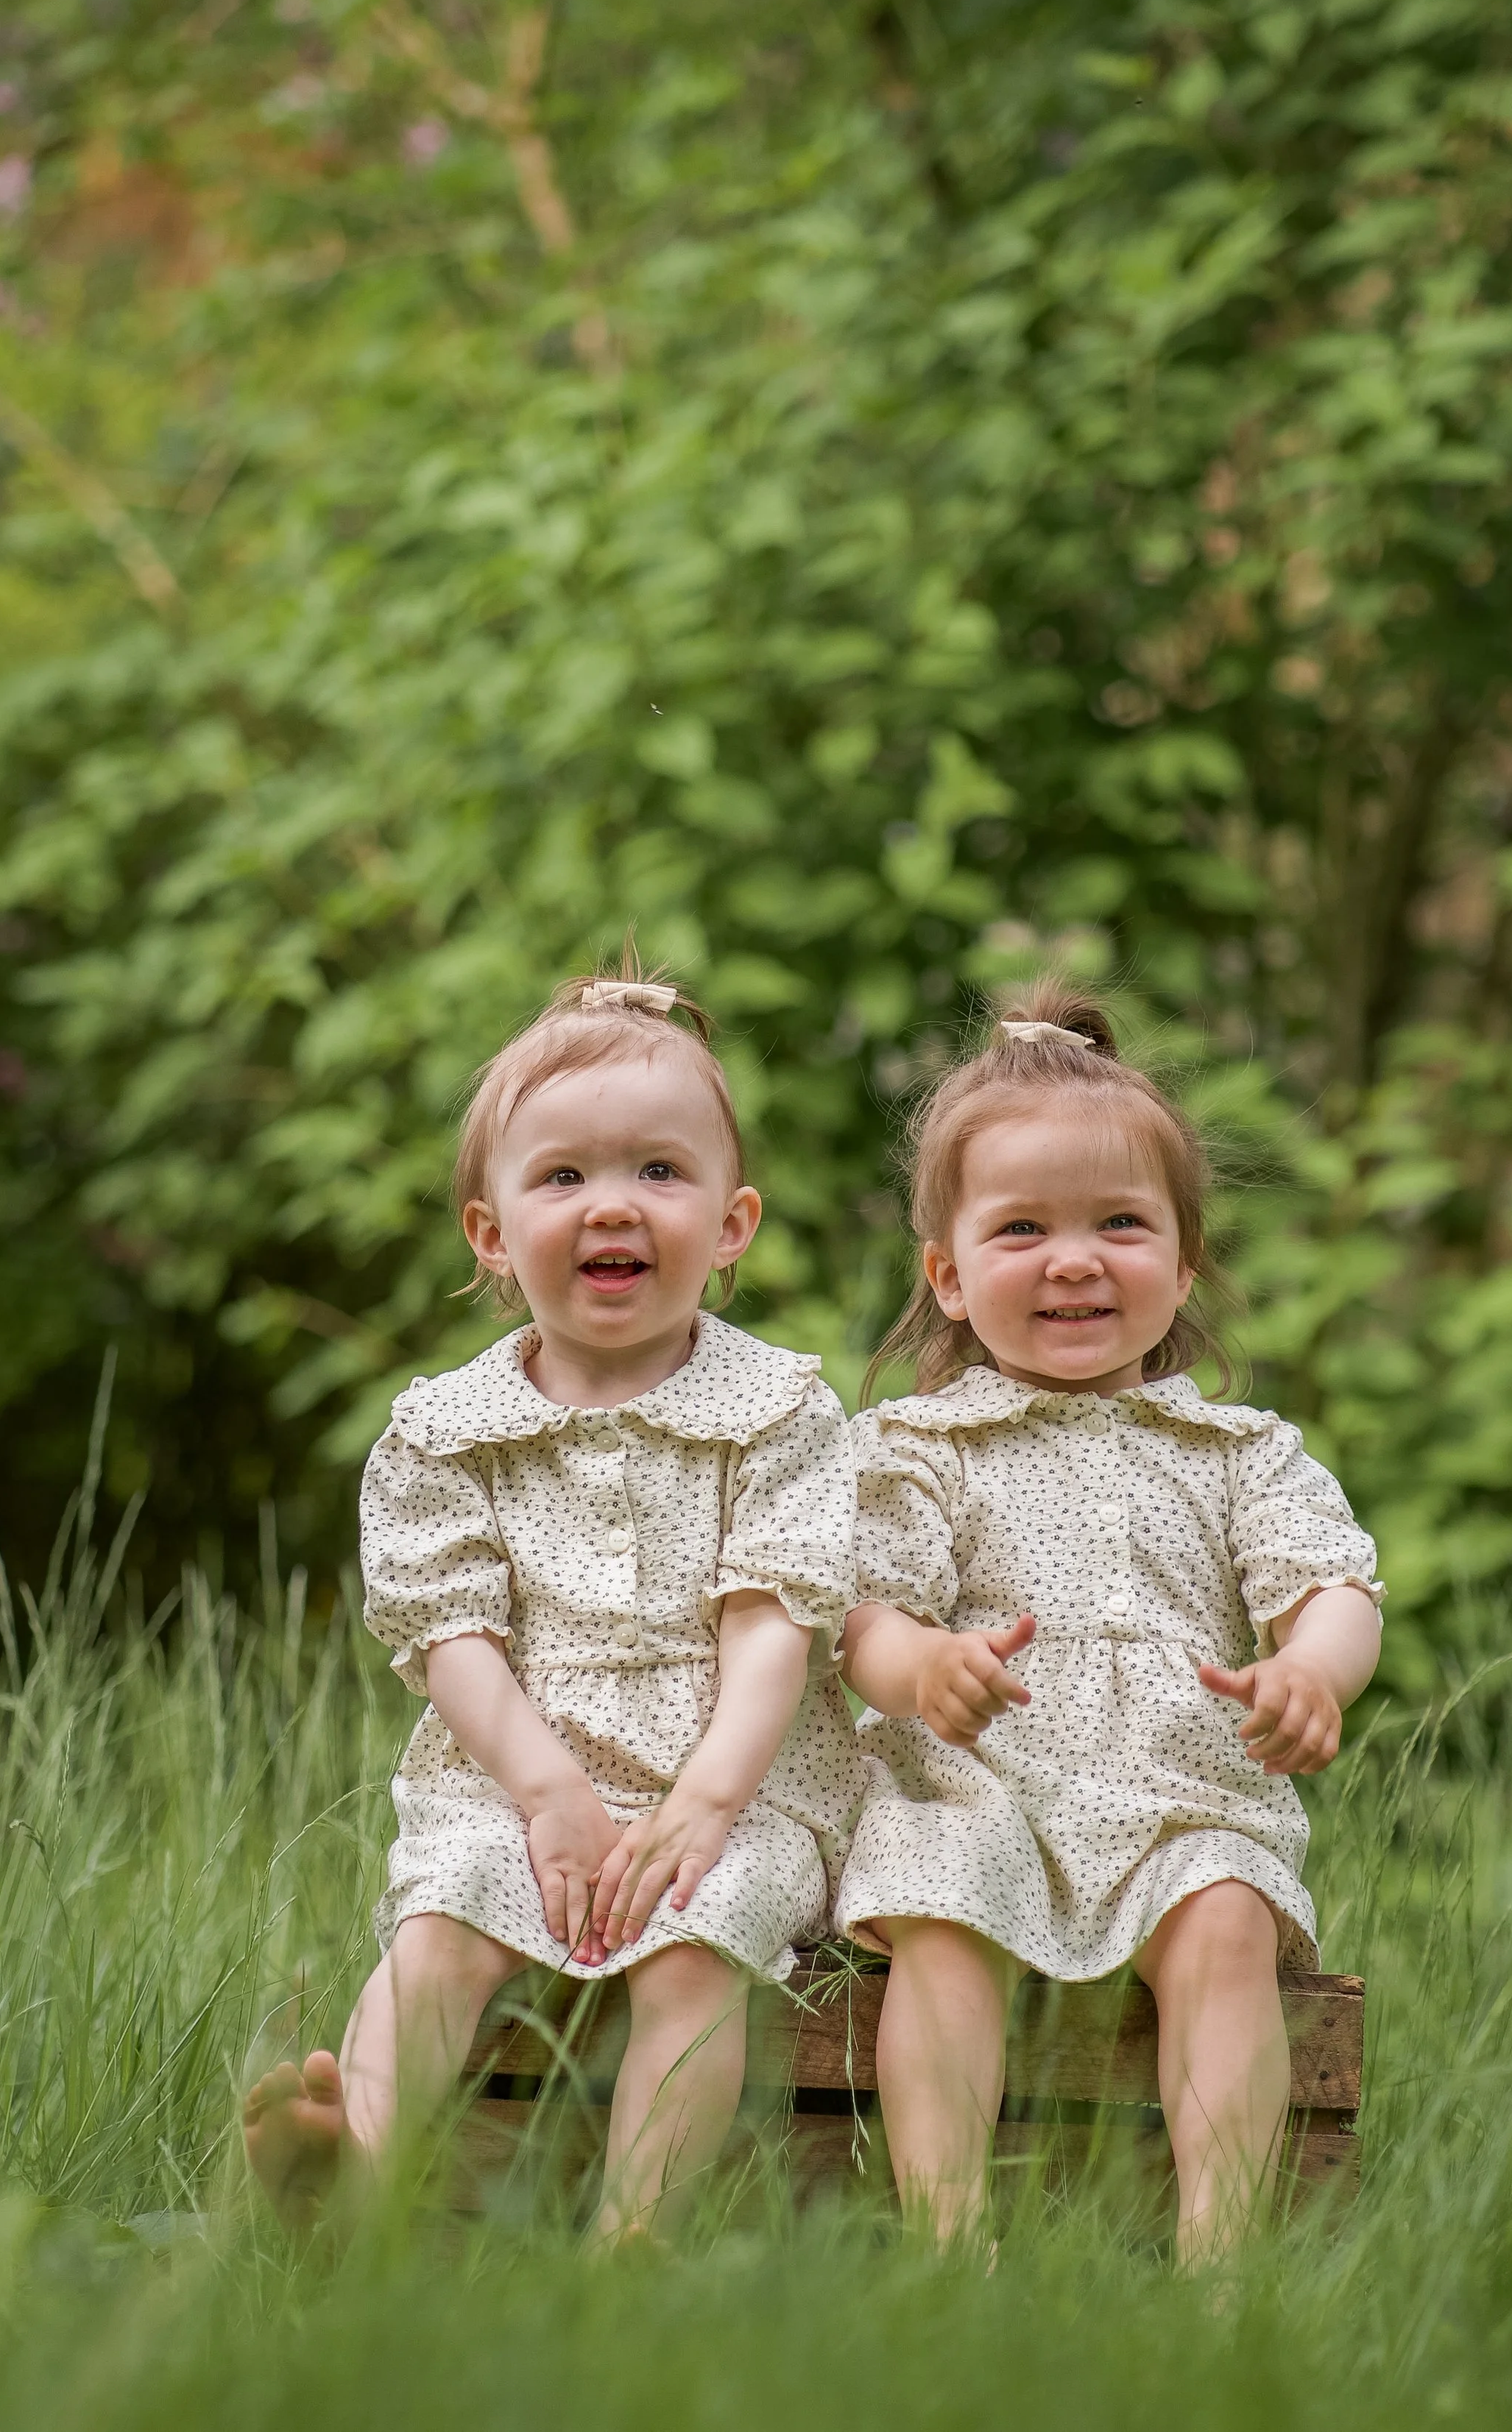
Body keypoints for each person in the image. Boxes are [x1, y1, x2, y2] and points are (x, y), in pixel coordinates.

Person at [245, 968, 861, 2238]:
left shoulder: (781, 1413)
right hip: (516, 1779)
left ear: (733, 1223)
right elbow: (454, 1640)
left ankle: (633, 2241)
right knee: (443, 1922)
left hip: (732, 1786)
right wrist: (543, 1792)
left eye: (659, 1170)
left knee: (694, 1947)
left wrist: (703, 1803)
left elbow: (773, 1632)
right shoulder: (446, 1431)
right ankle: (354, 2172)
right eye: (564, 1175)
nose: (612, 1204)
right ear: (490, 1232)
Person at [836, 980, 1383, 2261]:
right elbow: (860, 1615)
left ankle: (1220, 2260)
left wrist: (1313, 1669)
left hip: (1178, 1797)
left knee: (1227, 1914)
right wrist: (922, 1666)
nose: (1075, 1259)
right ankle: (950, 2246)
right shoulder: (918, 1447)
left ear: (1183, 1264)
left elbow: (1330, 1586)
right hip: (981, 1787)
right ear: (949, 1274)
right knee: (943, 1913)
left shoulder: (1238, 1450)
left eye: (1120, 1223)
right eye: (1022, 1227)